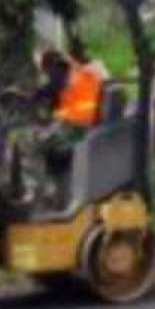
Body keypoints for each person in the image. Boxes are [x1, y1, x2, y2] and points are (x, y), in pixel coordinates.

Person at [18, 44, 108, 207]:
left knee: (28, 143)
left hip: (74, 127)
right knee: (51, 147)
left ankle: (41, 192)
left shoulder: (61, 69)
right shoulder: (85, 70)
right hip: (81, 125)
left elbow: (50, 90)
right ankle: (58, 196)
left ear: (48, 63)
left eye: (42, 68)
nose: (44, 72)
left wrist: (29, 97)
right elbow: (59, 97)